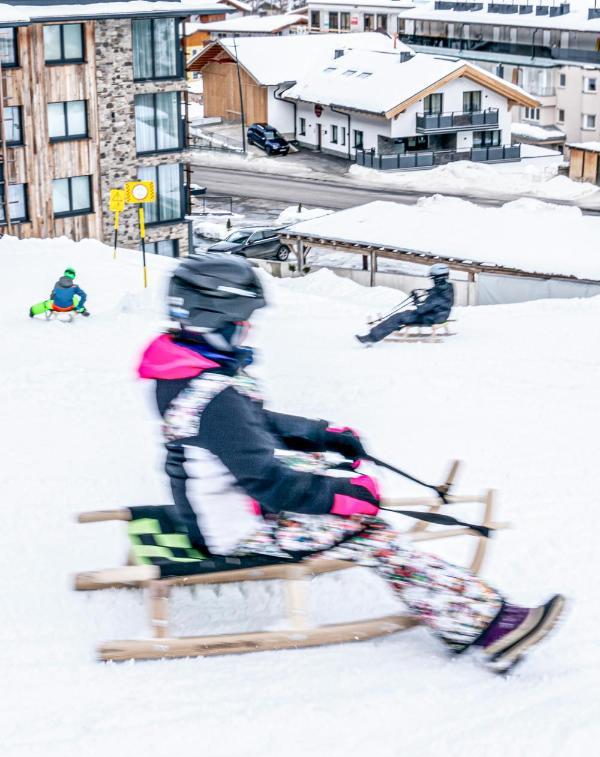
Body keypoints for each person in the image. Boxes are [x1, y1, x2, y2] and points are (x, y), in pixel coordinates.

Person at [137, 254, 565, 674]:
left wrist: (321, 433)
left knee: (330, 468)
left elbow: (254, 424)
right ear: (219, 318)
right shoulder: (214, 398)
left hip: (217, 508)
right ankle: (488, 624)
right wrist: (347, 499)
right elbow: (268, 482)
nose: (248, 330)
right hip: (237, 529)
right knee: (372, 530)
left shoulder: (186, 371)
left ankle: (468, 612)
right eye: (243, 321)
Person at [356, 263, 454, 346]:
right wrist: (423, 291)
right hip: (438, 314)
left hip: (433, 317)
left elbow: (422, 309)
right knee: (404, 314)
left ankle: (372, 337)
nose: (432, 280)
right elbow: (434, 293)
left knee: (399, 317)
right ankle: (377, 333)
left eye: (433, 278)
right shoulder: (446, 289)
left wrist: (416, 300)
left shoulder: (440, 295)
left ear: (438, 278)